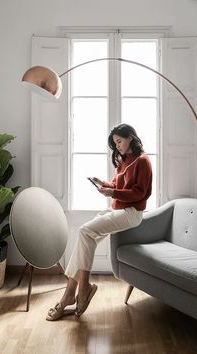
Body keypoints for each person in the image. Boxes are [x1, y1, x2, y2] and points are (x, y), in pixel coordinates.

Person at [46, 123, 152, 321]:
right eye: (115, 144)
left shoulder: (143, 161)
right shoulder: (123, 159)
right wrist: (105, 184)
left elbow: (140, 193)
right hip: (118, 209)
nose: (117, 146)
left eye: (119, 141)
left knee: (86, 231)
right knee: (86, 238)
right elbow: (119, 185)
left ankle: (81, 289)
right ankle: (71, 293)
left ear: (130, 137)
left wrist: (113, 192)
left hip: (132, 213)